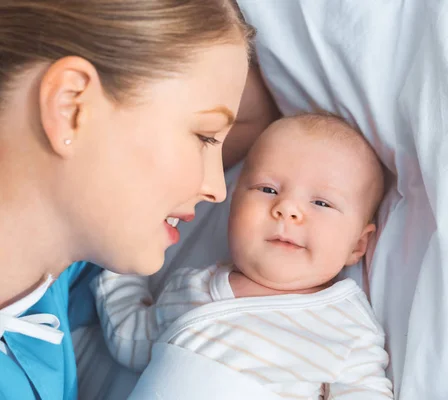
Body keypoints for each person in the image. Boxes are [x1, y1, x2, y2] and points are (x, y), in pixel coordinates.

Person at [0, 1, 279, 399]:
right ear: (71, 107)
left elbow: (254, 118)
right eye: (203, 136)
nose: (219, 189)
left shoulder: (55, 267)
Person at [93, 114, 394, 399]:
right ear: (233, 205)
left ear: (358, 244)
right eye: (268, 188)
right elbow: (131, 341)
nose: (287, 208)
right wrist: (119, 262)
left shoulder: (348, 332)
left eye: (321, 202)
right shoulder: (190, 287)